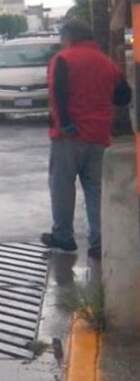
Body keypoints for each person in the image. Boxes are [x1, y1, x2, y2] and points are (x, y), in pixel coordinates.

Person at [43, 19, 132, 259]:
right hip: (98, 135)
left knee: (62, 186)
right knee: (95, 189)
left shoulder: (62, 60)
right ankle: (98, 241)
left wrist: (67, 123)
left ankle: (63, 235)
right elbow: (124, 96)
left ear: (69, 37)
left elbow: (59, 94)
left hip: (67, 136)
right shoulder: (106, 62)